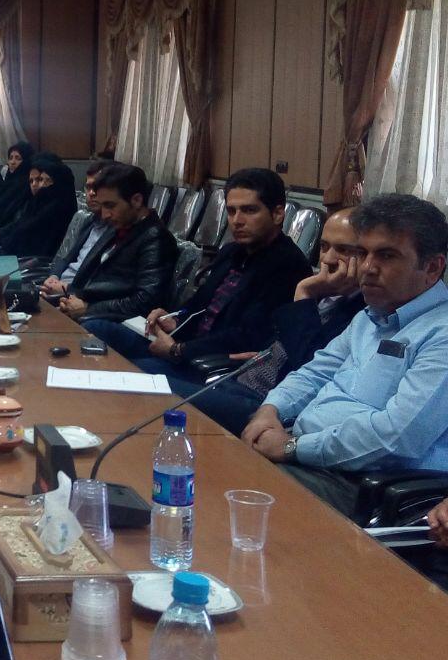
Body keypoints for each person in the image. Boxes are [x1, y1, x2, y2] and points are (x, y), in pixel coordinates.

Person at [241, 194, 448, 519]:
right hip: (309, 454)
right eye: (363, 253)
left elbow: (397, 437)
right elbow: (314, 373)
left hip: (364, 484)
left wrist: (291, 448)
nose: (367, 268)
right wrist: (271, 410)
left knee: (226, 492)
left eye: (387, 256)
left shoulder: (441, 334)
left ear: (432, 268)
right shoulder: (370, 316)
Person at [85, 168, 311, 377]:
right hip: (184, 344)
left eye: (249, 210)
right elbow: (198, 305)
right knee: (96, 329)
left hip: (209, 364)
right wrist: (174, 319)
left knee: (129, 372)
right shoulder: (232, 252)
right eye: (231, 211)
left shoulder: (288, 266)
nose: (237, 221)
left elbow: (247, 336)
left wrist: (177, 350)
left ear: (277, 214)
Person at [168, 208, 366, 434]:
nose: (327, 259)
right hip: (236, 380)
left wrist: (304, 294)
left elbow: (309, 366)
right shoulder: (326, 292)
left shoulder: (360, 311)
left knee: (157, 391)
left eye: (343, 250)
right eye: (323, 246)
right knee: (149, 384)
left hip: (266, 406)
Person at [47, 164, 178, 323]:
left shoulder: (155, 238)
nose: (104, 215)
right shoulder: (118, 227)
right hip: (89, 309)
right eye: (102, 206)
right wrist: (71, 298)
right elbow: (93, 282)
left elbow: (145, 301)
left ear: (136, 200)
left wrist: (89, 308)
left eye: (110, 206)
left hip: (119, 323)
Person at [0, 154, 77, 260]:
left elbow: (26, 236)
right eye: (41, 180)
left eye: (47, 181)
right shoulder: (38, 203)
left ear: (59, 183)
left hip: (30, 263)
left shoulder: (57, 209)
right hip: (17, 256)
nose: (40, 185)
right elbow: (18, 225)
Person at [42, 161, 115, 291]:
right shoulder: (88, 220)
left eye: (97, 187)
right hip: (58, 287)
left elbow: (102, 283)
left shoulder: (119, 230)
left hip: (76, 294)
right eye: (88, 187)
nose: (91, 193)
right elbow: (65, 256)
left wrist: (67, 289)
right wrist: (54, 276)